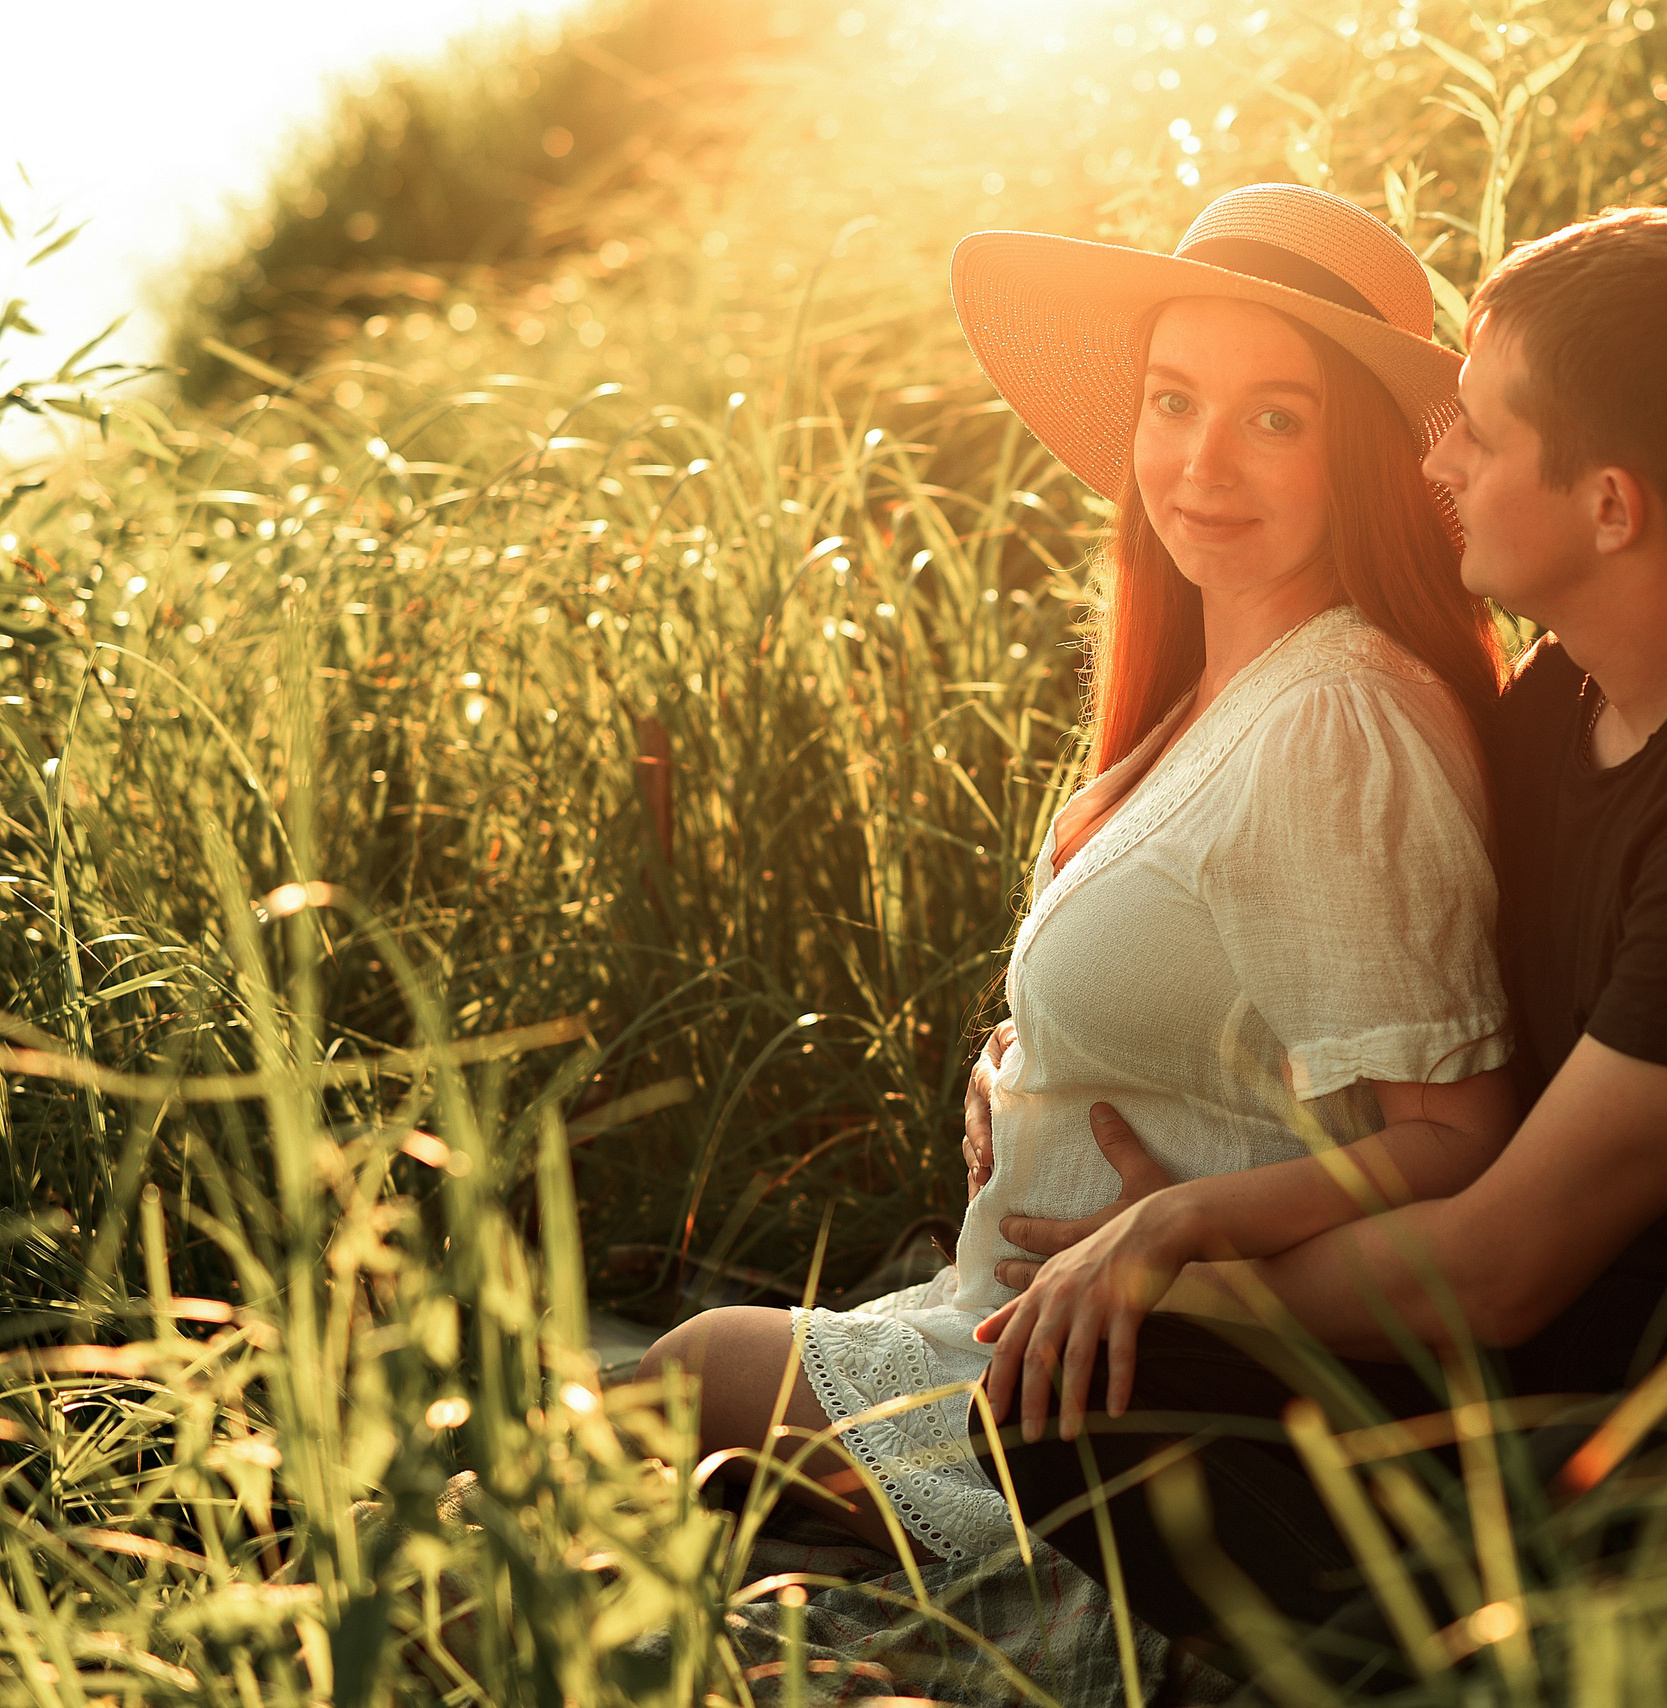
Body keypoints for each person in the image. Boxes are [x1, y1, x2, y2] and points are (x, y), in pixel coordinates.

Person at [971, 205, 1667, 1650]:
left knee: (1099, 1387)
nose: (1436, 462)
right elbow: (1436, 1070)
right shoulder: (1567, 703)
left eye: (1476, 430)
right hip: (1583, 1350)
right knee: (1087, 1390)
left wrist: (1176, 1258)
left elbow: (1499, 1261)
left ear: (1609, 506)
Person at [636, 183, 1520, 1561]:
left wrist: (1176, 1221)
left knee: (690, 1376)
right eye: (1174, 402)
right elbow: (1220, 983)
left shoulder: (1342, 718)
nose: (1202, 464)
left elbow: (1460, 1140)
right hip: (1010, 1305)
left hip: (1135, 1378)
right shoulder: (1220, 681)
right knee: (608, 1421)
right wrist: (1037, 1063)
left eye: (1273, 419)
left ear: (1360, 453)